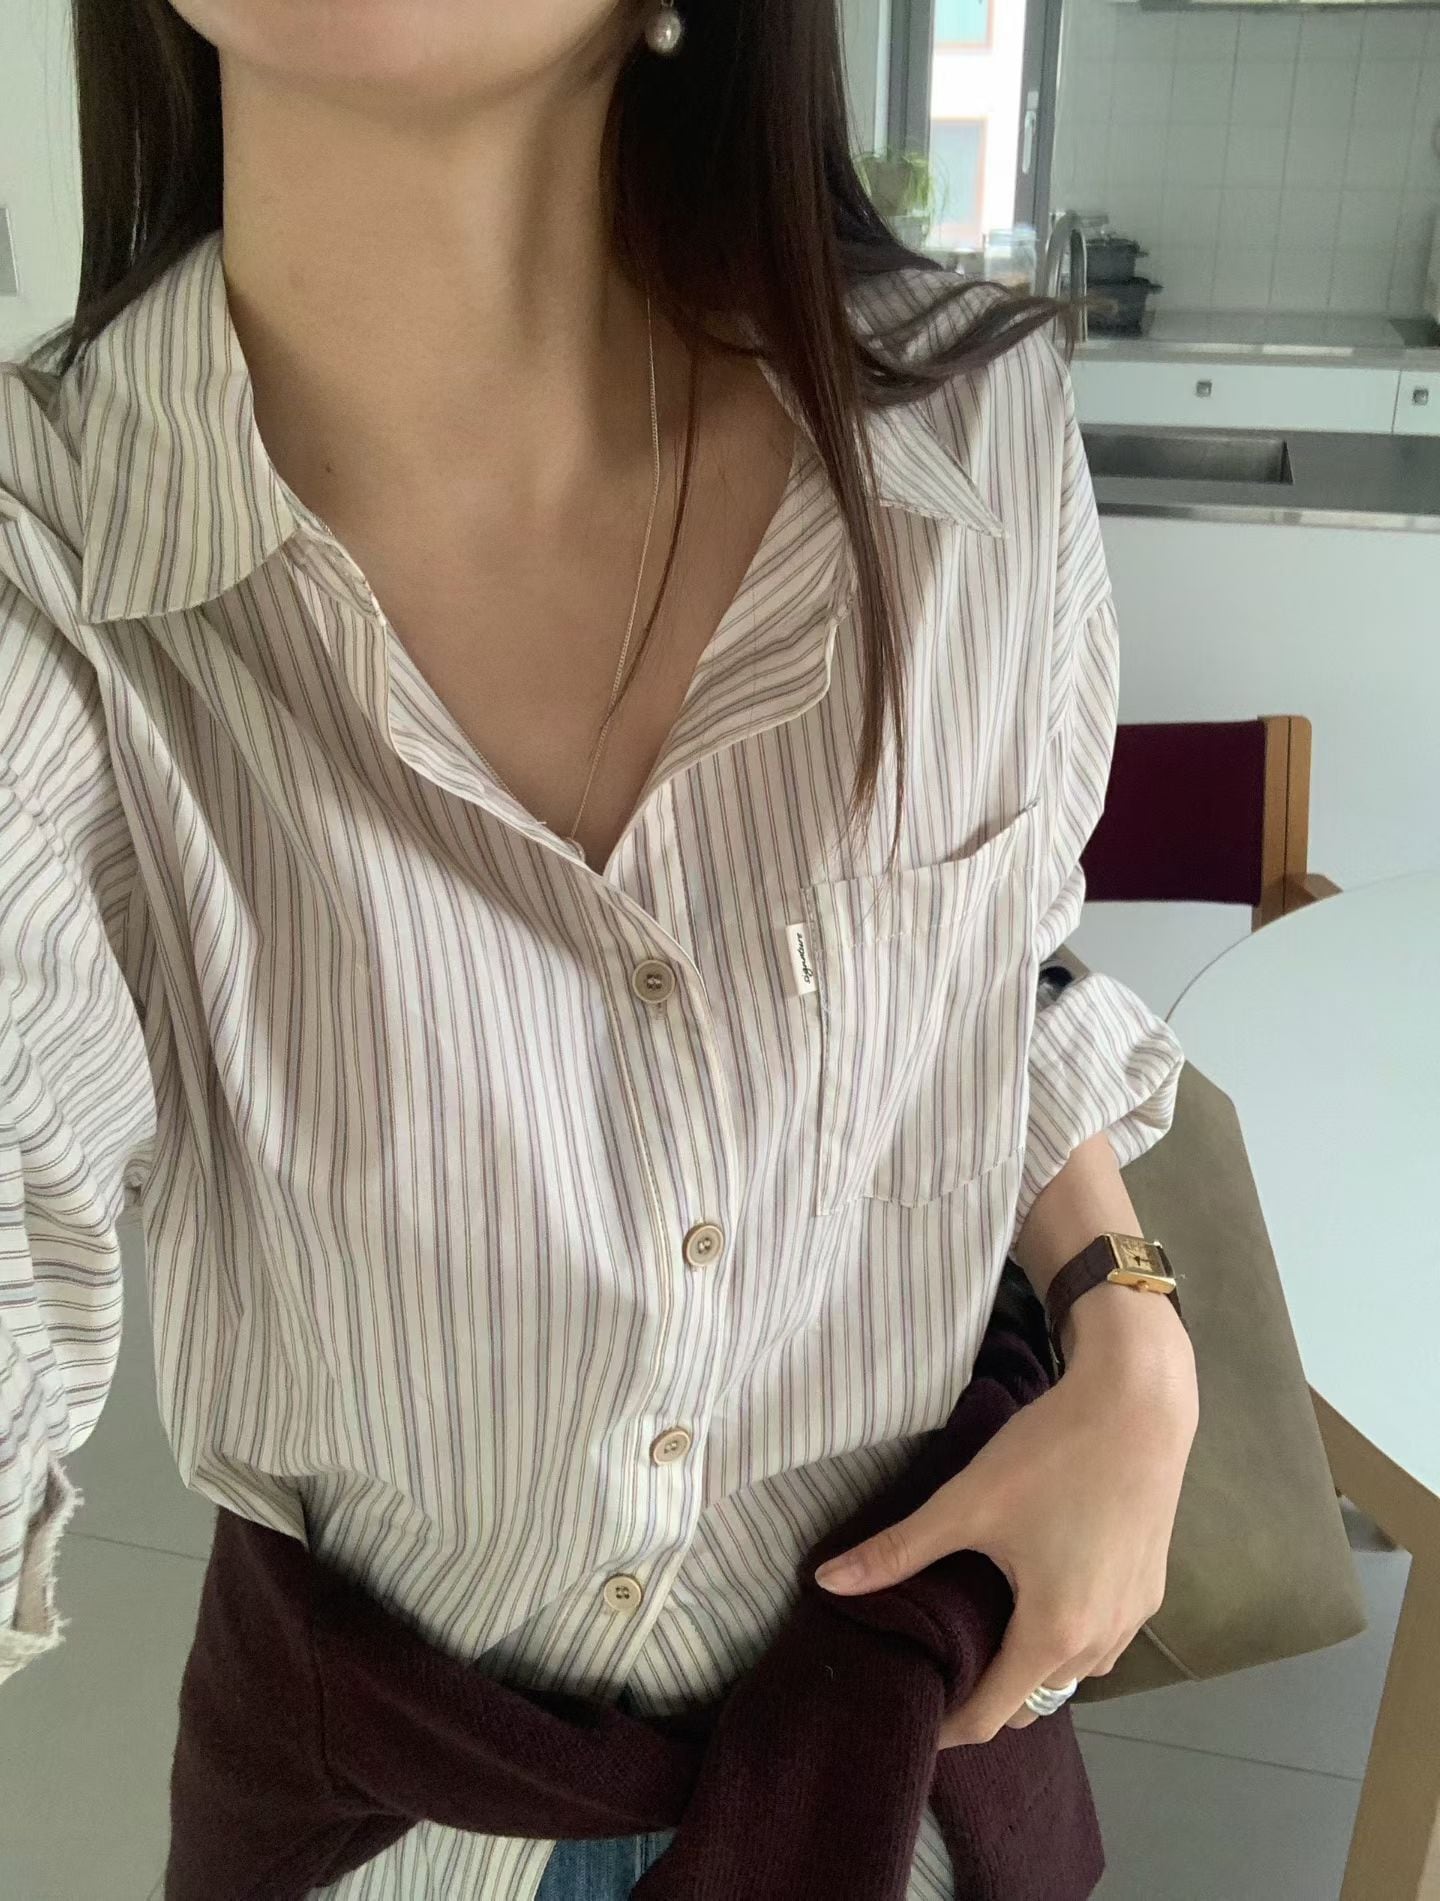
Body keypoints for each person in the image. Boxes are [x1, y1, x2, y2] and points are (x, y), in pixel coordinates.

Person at [0, 2, 1198, 1897]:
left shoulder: (970, 432)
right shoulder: (47, 564)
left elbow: (996, 975)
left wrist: (1131, 1318)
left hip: (904, 1777)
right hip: (395, 1818)